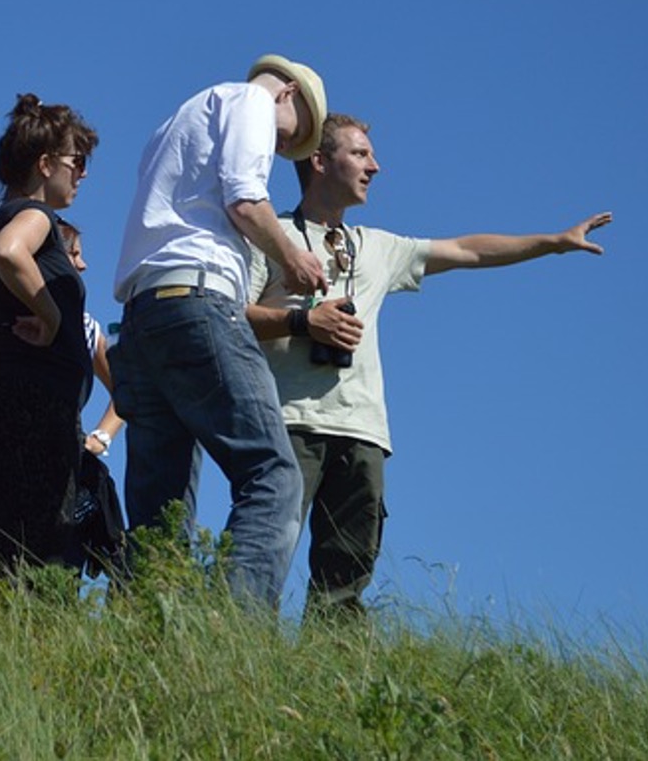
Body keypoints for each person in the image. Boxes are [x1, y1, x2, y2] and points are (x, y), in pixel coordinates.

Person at [245, 113, 611, 619]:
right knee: (265, 551)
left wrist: (552, 242)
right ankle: (242, 651)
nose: (376, 166)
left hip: (363, 432)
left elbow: (466, 250)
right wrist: (305, 322)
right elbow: (232, 316)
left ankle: (333, 676)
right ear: (320, 161)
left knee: (345, 580)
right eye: (360, 154)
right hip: (291, 423)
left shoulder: (378, 247)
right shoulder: (273, 237)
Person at [108, 54, 330, 612]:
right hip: (198, 302)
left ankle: (141, 644)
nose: (284, 150)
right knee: (274, 476)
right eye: (292, 138)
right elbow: (244, 199)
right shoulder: (253, 102)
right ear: (289, 97)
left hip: (143, 314)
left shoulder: (179, 120)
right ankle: (234, 635)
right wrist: (291, 258)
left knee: (161, 515)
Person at [0, 95, 102, 589]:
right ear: (45, 163)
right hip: (30, 409)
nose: (83, 175)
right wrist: (51, 315)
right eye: (78, 162)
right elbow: (9, 252)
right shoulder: (36, 216)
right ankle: (39, 660)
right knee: (40, 561)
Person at [0, 219, 124, 456]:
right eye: (73, 254)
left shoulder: (84, 326)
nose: (83, 265)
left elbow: (124, 388)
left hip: (62, 458)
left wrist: (100, 438)